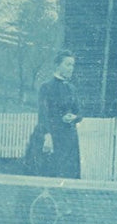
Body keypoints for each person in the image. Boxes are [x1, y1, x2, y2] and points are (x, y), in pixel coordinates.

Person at [24, 49, 82, 178]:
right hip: (51, 135)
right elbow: (43, 114)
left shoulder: (72, 89)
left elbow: (79, 114)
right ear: (57, 65)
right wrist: (47, 136)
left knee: (68, 175)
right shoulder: (46, 87)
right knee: (48, 172)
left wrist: (74, 117)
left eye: (73, 65)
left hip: (69, 139)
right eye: (68, 64)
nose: (71, 68)